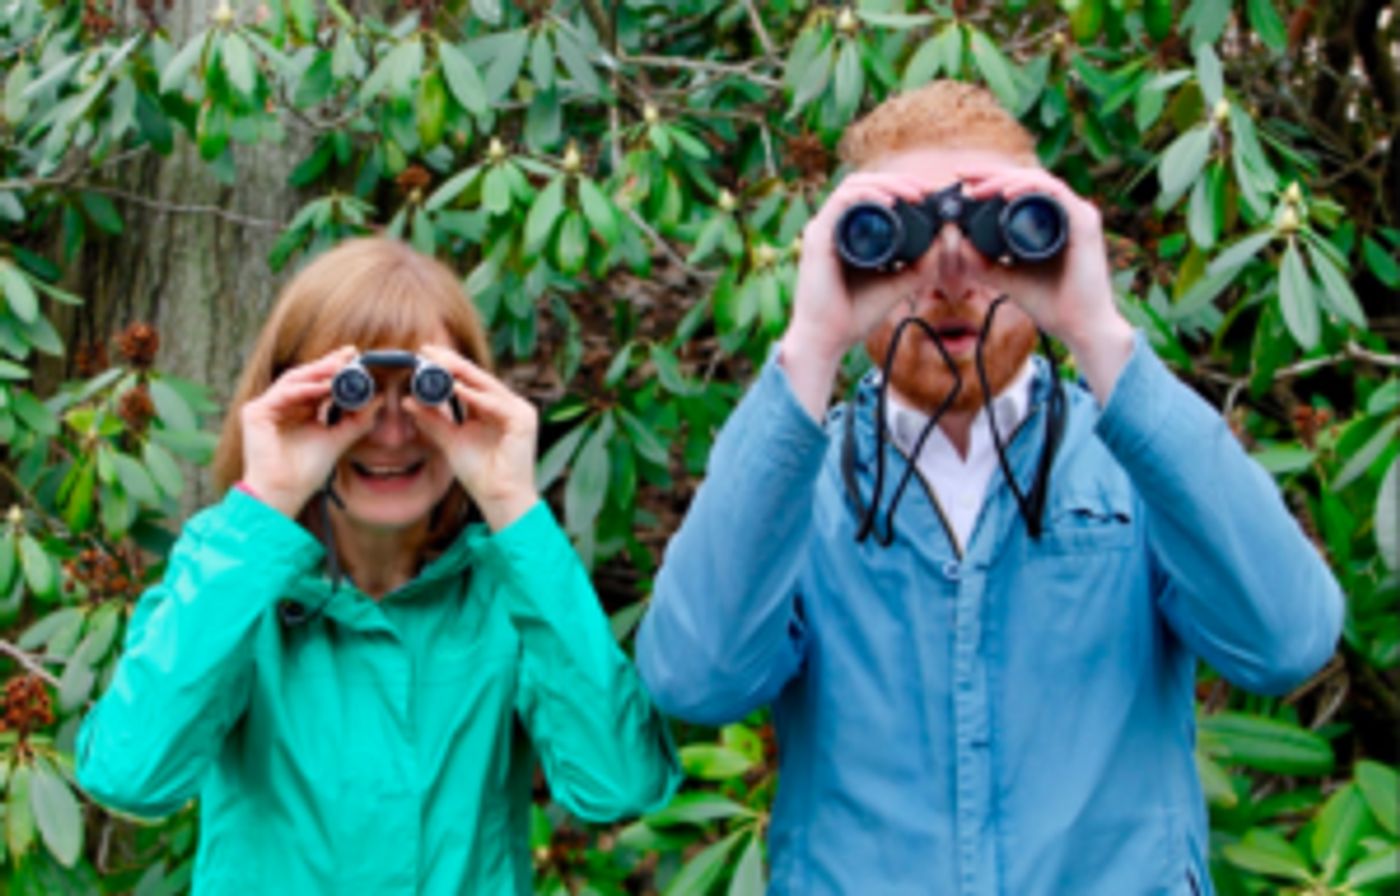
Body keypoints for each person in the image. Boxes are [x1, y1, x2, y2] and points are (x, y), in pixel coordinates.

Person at [635, 81, 1343, 895]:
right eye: (892, 237)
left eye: (996, 226)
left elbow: (1288, 641)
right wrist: (811, 345)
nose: (950, 275)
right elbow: (695, 679)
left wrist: (1099, 334)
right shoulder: (799, 487)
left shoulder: (1136, 463)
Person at [77, 237, 678, 894]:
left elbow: (619, 785)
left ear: (473, 394)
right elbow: (131, 775)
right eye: (355, 393)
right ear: (288, 393)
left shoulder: (510, 588)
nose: (391, 432)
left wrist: (514, 506)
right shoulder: (234, 572)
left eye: (424, 390)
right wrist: (266, 504)